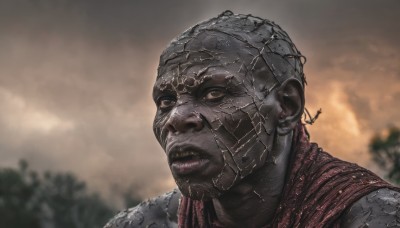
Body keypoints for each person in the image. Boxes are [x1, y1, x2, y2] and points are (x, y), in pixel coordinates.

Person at [104, 11, 400, 227]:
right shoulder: (145, 224)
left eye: (214, 93)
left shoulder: (376, 218)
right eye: (165, 101)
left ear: (286, 106)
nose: (177, 118)